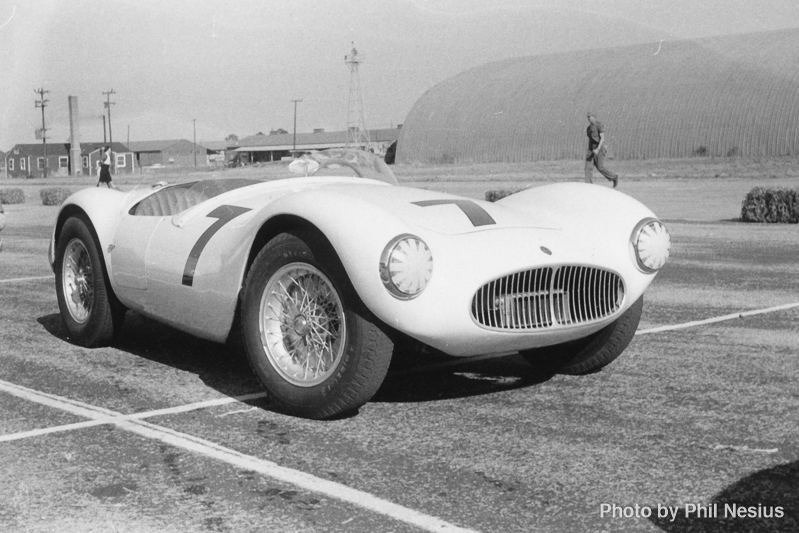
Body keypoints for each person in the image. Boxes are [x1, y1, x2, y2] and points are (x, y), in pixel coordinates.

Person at [585, 111, 618, 188]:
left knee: (600, 167)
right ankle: (588, 186)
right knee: (587, 167)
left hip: (599, 148)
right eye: (588, 117)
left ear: (594, 117)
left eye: (590, 117)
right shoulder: (588, 128)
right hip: (592, 149)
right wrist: (590, 151)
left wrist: (598, 149)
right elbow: (590, 140)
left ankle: (613, 177)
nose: (588, 118)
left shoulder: (599, 125)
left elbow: (602, 138)